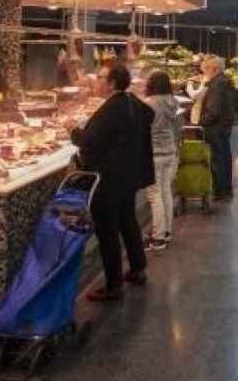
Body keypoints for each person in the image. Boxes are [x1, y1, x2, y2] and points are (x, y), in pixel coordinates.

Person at [71, 65, 154, 302]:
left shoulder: (111, 108)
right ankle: (137, 268)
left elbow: (89, 141)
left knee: (108, 232)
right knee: (128, 222)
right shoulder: (131, 102)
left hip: (108, 179)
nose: (95, 80)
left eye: (100, 77)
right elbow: (150, 116)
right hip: (128, 176)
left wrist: (73, 131)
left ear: (111, 83)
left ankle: (113, 285)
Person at [143, 71, 182, 252]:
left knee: (154, 195)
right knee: (166, 191)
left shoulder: (150, 103)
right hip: (170, 151)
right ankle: (166, 231)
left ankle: (157, 238)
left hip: (155, 153)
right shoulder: (171, 101)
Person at [200, 55, 237, 202]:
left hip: (216, 129)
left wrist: (201, 121)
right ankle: (226, 188)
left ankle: (220, 190)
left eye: (206, 69)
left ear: (213, 69)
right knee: (225, 157)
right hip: (225, 127)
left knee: (218, 160)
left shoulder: (216, 85)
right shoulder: (226, 81)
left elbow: (213, 111)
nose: (204, 72)